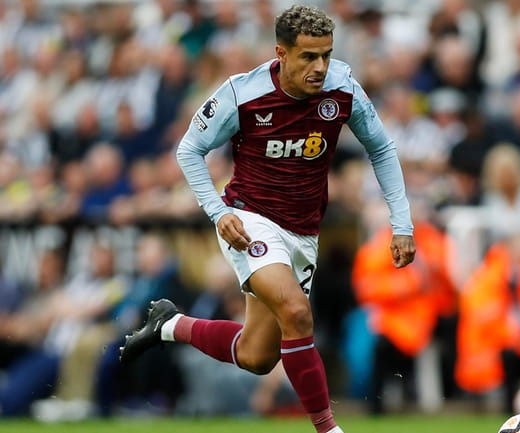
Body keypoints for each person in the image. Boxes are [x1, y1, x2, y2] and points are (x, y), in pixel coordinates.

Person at [119, 6, 416, 433]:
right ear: (281, 52)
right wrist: (219, 213)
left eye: (326, 55)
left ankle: (170, 324)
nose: (320, 67)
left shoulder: (344, 88)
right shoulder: (242, 93)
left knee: (258, 356)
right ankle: (330, 429)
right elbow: (189, 149)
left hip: (303, 232)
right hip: (249, 220)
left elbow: (382, 149)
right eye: (308, 57)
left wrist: (401, 224)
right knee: (296, 312)